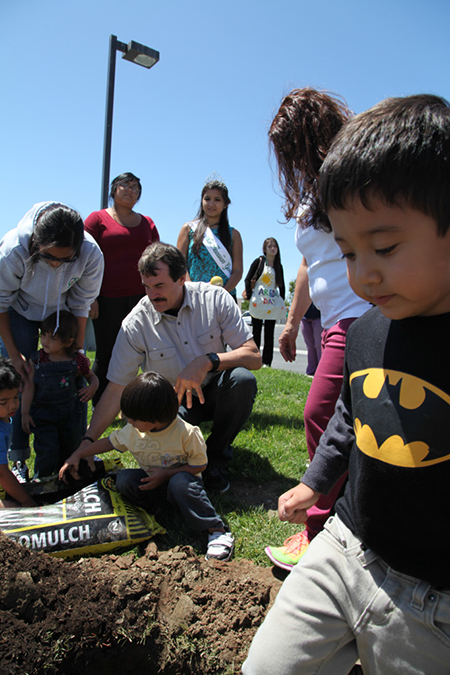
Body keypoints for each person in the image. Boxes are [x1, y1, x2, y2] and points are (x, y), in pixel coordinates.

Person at [243, 94, 450, 675]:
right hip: (346, 549)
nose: (363, 275)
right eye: (348, 252)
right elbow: (348, 418)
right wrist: (314, 485)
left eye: (383, 248)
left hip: (434, 604)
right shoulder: (365, 333)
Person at [264, 89, 371, 570]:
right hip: (330, 320)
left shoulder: (350, 176)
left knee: (320, 413)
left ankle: (321, 528)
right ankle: (342, 521)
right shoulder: (312, 192)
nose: (286, 161)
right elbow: (308, 262)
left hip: (359, 314)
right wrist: (290, 323)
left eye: (291, 149)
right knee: (339, 418)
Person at [77, 242, 261, 493]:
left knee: (242, 380)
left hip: (217, 391)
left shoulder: (215, 299)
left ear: (182, 278)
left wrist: (207, 360)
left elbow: (253, 357)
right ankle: (185, 465)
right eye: (147, 287)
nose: (152, 295)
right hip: (171, 405)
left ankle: (216, 460)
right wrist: (87, 443)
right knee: (169, 456)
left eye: (160, 285)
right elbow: (116, 389)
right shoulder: (135, 323)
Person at [59, 371, 235, 560]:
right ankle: (156, 511)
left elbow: (199, 466)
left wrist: (166, 475)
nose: (128, 422)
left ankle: (216, 530)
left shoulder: (187, 433)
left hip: (183, 487)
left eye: (133, 419)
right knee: (125, 479)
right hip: (154, 485)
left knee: (180, 483)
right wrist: (78, 454)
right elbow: (110, 442)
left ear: (155, 419)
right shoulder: (134, 431)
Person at [0, 202, 104, 481]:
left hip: (63, 313)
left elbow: (82, 304)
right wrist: (13, 353)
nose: (57, 264)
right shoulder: (13, 251)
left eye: (66, 259)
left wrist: (77, 352)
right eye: (49, 257)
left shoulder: (91, 255)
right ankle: (18, 458)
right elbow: (0, 302)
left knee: (74, 377)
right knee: (21, 380)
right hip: (18, 310)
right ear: (36, 242)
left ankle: (75, 454)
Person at [84, 172, 159, 406]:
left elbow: (157, 257)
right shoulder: (97, 219)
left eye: (135, 187)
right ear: (113, 189)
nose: (130, 190)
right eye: (124, 185)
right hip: (106, 298)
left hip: (141, 298)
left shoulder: (147, 222)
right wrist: (91, 296)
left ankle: (132, 406)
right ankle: (99, 408)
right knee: (106, 354)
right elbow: (84, 257)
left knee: (140, 354)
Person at [21, 310, 98, 479]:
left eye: (53, 338)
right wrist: (25, 413)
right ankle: (41, 480)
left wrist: (92, 387)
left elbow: (91, 377)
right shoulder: (36, 360)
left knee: (69, 447)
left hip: (70, 415)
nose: (45, 341)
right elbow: (28, 387)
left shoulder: (76, 359)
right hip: (43, 415)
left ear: (68, 341)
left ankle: (65, 477)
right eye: (44, 335)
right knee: (47, 449)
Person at [176, 174, 243, 299]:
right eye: (207, 199)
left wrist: (222, 294)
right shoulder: (188, 229)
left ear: (225, 204)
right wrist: (191, 291)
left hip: (224, 298)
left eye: (217, 199)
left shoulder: (234, 235)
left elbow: (237, 271)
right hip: (194, 297)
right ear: (201, 201)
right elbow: (180, 264)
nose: (211, 203)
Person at [0, 358, 36, 507]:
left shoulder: (4, 418)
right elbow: (1, 474)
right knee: (14, 511)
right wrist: (27, 501)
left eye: (16, 397)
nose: (13, 405)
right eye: (4, 402)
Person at [244, 237, 286, 367]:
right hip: (258, 303)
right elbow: (247, 279)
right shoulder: (258, 262)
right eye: (270, 246)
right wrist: (250, 296)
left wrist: (281, 301)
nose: (273, 248)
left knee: (269, 334)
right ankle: (255, 360)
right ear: (265, 249)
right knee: (256, 332)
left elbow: (282, 286)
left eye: (275, 246)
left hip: (271, 304)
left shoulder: (279, 266)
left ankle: (267, 362)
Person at [301, 302, 322, 376]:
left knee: (319, 345)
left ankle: (321, 371)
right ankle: (311, 371)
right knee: (310, 346)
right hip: (304, 317)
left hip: (318, 316)